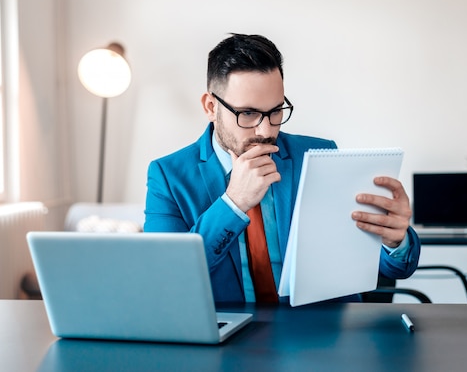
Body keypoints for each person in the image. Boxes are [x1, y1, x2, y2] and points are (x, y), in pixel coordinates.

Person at [144, 33, 420, 303]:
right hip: (228, 334)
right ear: (210, 106)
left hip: (319, 330)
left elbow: (393, 268)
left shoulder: (319, 155)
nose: (265, 130)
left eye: (275, 111)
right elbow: (164, 280)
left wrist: (394, 242)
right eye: (248, 114)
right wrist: (234, 204)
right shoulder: (168, 177)